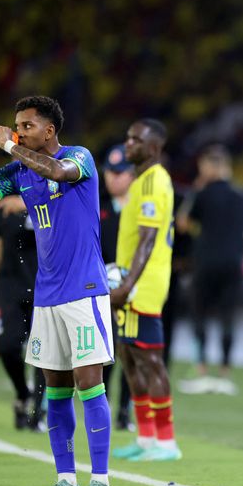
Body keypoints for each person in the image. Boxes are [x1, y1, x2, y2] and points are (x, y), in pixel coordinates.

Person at [0, 95, 114, 486]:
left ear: (50, 130)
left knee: (88, 383)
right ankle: (66, 480)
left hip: (84, 290)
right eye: (16, 125)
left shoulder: (79, 157)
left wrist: (11, 145)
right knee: (56, 387)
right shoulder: (19, 172)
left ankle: (100, 481)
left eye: (27, 125)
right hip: (47, 295)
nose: (19, 131)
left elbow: (59, 173)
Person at [110, 119, 182, 461]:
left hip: (144, 285)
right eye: (128, 136)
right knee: (129, 358)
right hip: (130, 282)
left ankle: (167, 442)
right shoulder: (140, 180)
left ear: (154, 147)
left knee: (149, 360)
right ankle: (146, 437)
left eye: (135, 139)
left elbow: (149, 238)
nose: (128, 143)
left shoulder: (155, 181)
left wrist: (128, 285)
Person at [178, 145, 243, 395]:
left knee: (199, 314)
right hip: (233, 262)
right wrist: (240, 250)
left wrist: (196, 192)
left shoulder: (203, 194)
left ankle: (200, 368)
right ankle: (225, 372)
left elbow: (183, 222)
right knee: (228, 316)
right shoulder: (242, 195)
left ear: (211, 167)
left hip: (205, 261)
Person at [0, 195, 45, 431]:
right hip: (10, 285)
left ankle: (38, 411)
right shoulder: (5, 200)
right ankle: (22, 392)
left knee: (41, 352)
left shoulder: (51, 187)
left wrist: (28, 202)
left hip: (43, 283)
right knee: (6, 346)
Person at [99, 144, 137, 431]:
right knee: (106, 353)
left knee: (132, 352)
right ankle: (104, 408)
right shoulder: (96, 207)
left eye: (120, 172)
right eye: (110, 172)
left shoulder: (143, 208)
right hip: (102, 290)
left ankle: (126, 410)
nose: (114, 178)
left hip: (135, 290)